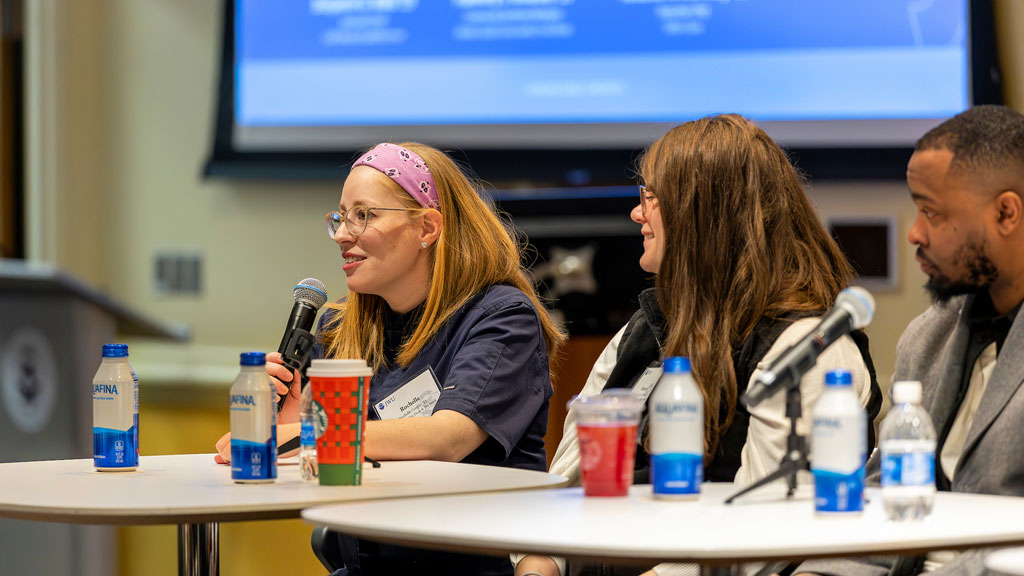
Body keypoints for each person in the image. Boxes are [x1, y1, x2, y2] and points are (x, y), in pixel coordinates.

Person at [514, 114, 882, 576]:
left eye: (651, 198)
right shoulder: (644, 328)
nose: (636, 214)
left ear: (704, 214)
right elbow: (564, 483)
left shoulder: (806, 344)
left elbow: (765, 530)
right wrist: (538, 561)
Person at [215, 142, 566, 575]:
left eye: (364, 215)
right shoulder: (341, 325)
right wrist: (281, 419)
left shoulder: (501, 318)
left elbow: (447, 438)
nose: (343, 234)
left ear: (427, 228)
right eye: (342, 217)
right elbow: (291, 450)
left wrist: (309, 436)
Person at [796, 105, 1024, 575]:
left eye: (931, 212)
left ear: (1006, 212)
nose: (914, 233)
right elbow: (880, 498)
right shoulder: (928, 336)